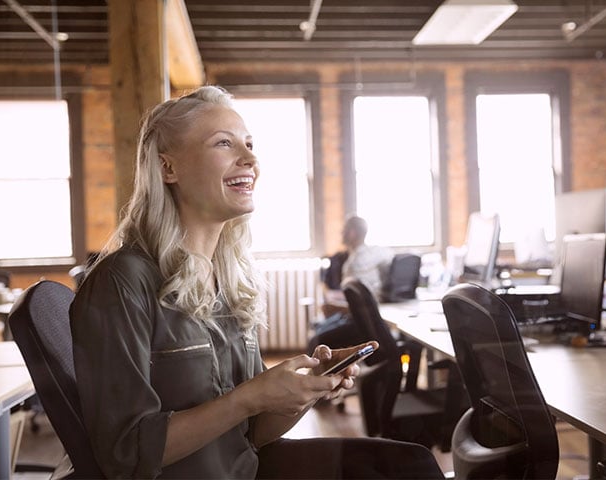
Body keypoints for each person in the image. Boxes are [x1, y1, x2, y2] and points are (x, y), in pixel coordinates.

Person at [69, 86, 443, 479]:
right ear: (168, 169)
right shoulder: (121, 283)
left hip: (245, 468)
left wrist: (302, 392)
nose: (250, 159)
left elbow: (254, 434)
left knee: (410, 464)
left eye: (249, 145)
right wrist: (247, 399)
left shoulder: (227, 278)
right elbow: (124, 454)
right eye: (224, 144)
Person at [308, 216, 394, 352]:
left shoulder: (354, 264)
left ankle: (323, 372)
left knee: (316, 340)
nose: (341, 234)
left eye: (343, 231)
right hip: (374, 318)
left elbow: (362, 307)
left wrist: (335, 308)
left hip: (363, 324)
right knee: (320, 327)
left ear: (352, 233)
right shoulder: (380, 252)